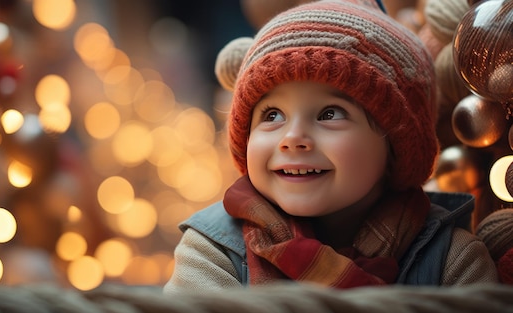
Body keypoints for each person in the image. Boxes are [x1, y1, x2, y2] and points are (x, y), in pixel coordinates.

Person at [163, 0, 499, 294]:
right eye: (272, 114)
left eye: (329, 114)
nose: (292, 138)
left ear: (395, 145)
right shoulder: (214, 253)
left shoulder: (451, 263)